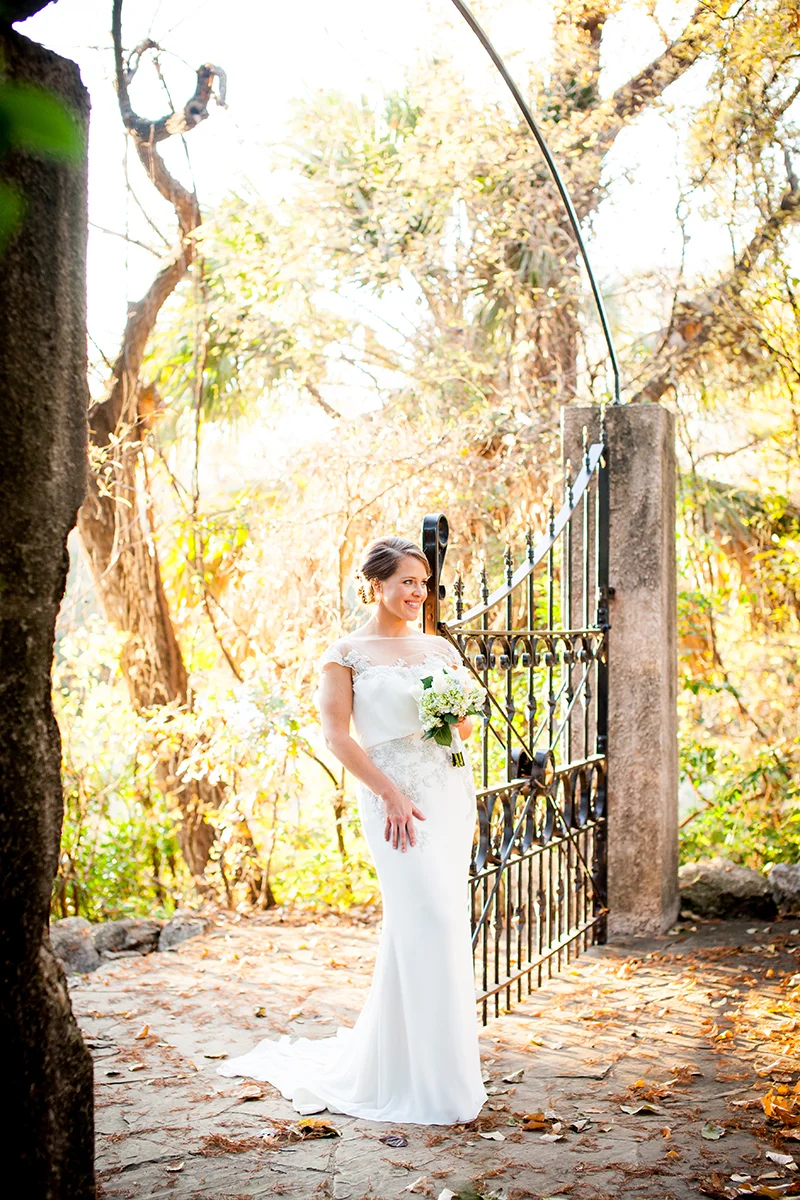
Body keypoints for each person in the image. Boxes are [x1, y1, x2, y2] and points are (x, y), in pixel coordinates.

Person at [217, 535, 487, 1125]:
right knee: (428, 919)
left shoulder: (440, 651)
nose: (419, 593)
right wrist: (389, 792)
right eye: (406, 583)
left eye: (424, 583)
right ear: (376, 585)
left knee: (433, 924)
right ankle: (423, 1082)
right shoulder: (345, 654)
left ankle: (425, 1068)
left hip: (447, 793)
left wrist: (454, 712)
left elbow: (463, 731)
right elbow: (338, 736)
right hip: (391, 797)